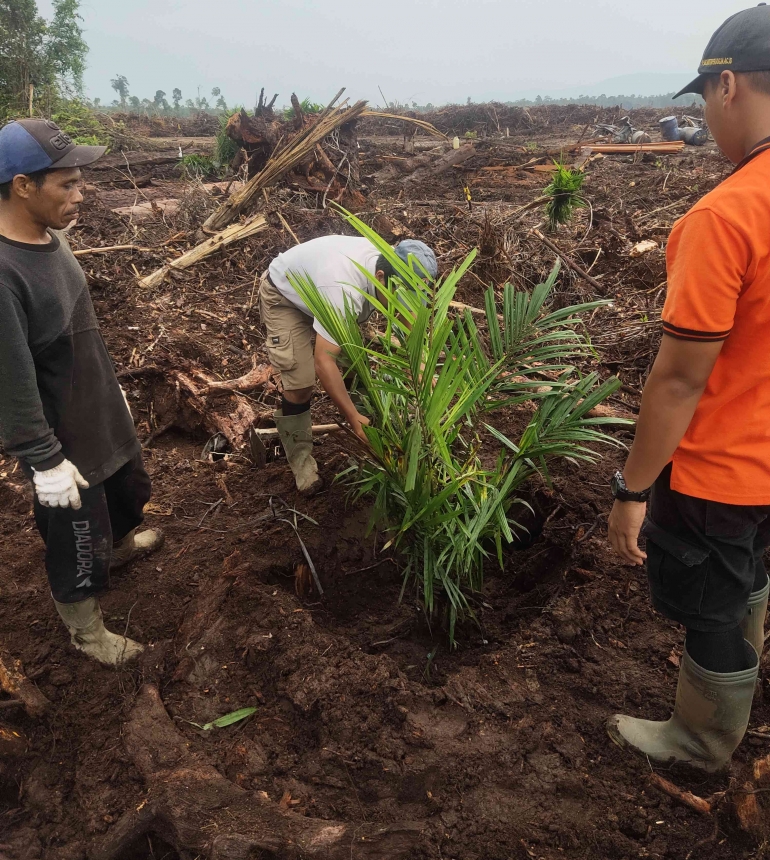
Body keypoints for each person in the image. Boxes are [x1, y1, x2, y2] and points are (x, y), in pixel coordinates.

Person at [606, 4, 770, 772]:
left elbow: (678, 379)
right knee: (751, 579)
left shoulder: (729, 213)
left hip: (724, 468)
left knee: (709, 599)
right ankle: (742, 682)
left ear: (728, 84)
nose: (705, 117)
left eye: (704, 98)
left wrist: (631, 489)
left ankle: (701, 740)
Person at [0, 119, 163, 667]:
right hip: (62, 434)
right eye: (66, 184)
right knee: (76, 533)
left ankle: (117, 547)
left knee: (127, 488)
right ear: (23, 186)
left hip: (97, 402)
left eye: (80, 182)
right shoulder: (4, 273)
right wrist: (44, 460)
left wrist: (110, 385)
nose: (81, 193)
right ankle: (87, 632)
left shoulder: (51, 236)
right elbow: (11, 376)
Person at [259, 234, 437, 494]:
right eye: (400, 299)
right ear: (380, 278)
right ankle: (302, 462)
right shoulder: (344, 291)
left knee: (357, 365)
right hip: (286, 297)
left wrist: (423, 370)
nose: (403, 308)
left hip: (323, 288)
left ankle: (374, 433)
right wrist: (353, 419)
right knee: (301, 383)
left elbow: (410, 325)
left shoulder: (399, 265)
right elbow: (324, 362)